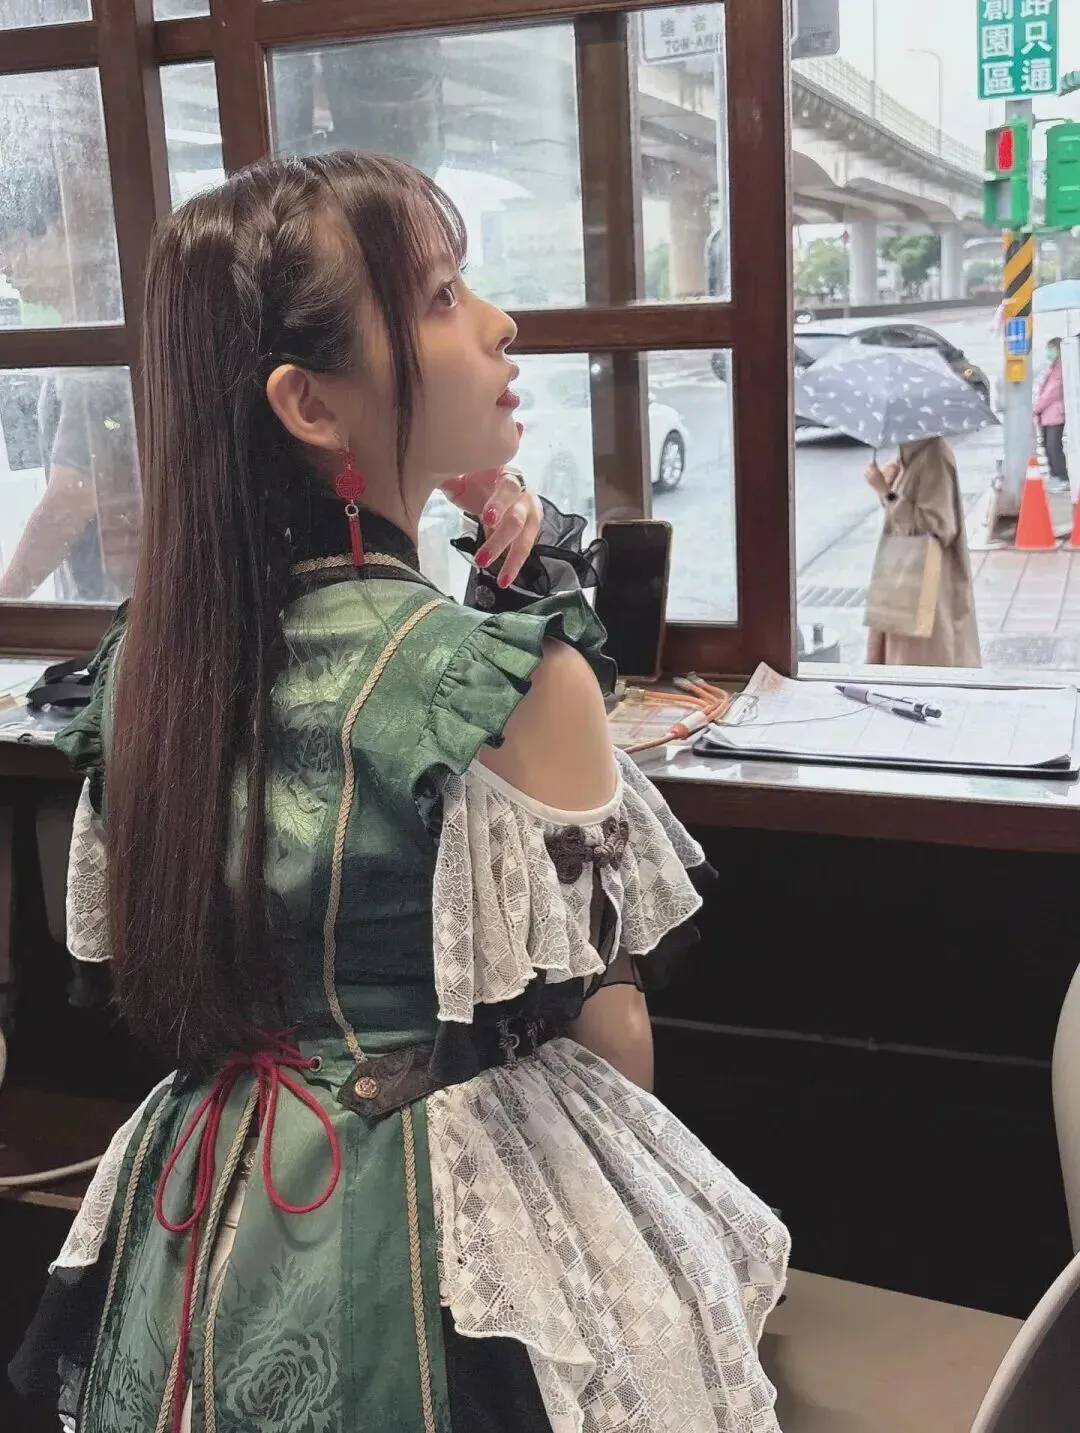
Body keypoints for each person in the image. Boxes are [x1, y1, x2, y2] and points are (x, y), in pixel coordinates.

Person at [10, 152, 788, 1433]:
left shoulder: (150, 664)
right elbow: (613, 1034)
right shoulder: (515, 683)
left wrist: (444, 496)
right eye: (438, 298)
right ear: (311, 403)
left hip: (202, 1210)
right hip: (431, 1245)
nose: (500, 321)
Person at [0, 155, 139, 602]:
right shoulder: (80, 337)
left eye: (17, 242)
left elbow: (70, 499)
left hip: (117, 605)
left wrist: (9, 598)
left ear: (63, 228)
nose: (6, 263)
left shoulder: (99, 347)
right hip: (103, 599)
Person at [865, 436, 981, 668]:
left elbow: (937, 526)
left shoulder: (934, 455)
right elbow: (902, 514)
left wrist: (886, 492)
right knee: (902, 656)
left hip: (927, 584)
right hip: (901, 577)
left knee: (926, 660)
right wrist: (889, 488)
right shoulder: (909, 453)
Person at [1034, 336, 1069, 495]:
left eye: (1051, 349)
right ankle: (1055, 476)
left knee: (1054, 447)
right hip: (1046, 416)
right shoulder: (1052, 367)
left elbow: (1051, 393)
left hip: (1055, 415)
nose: (1049, 352)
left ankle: (1062, 477)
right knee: (1048, 447)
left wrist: (1036, 408)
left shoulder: (1061, 369)